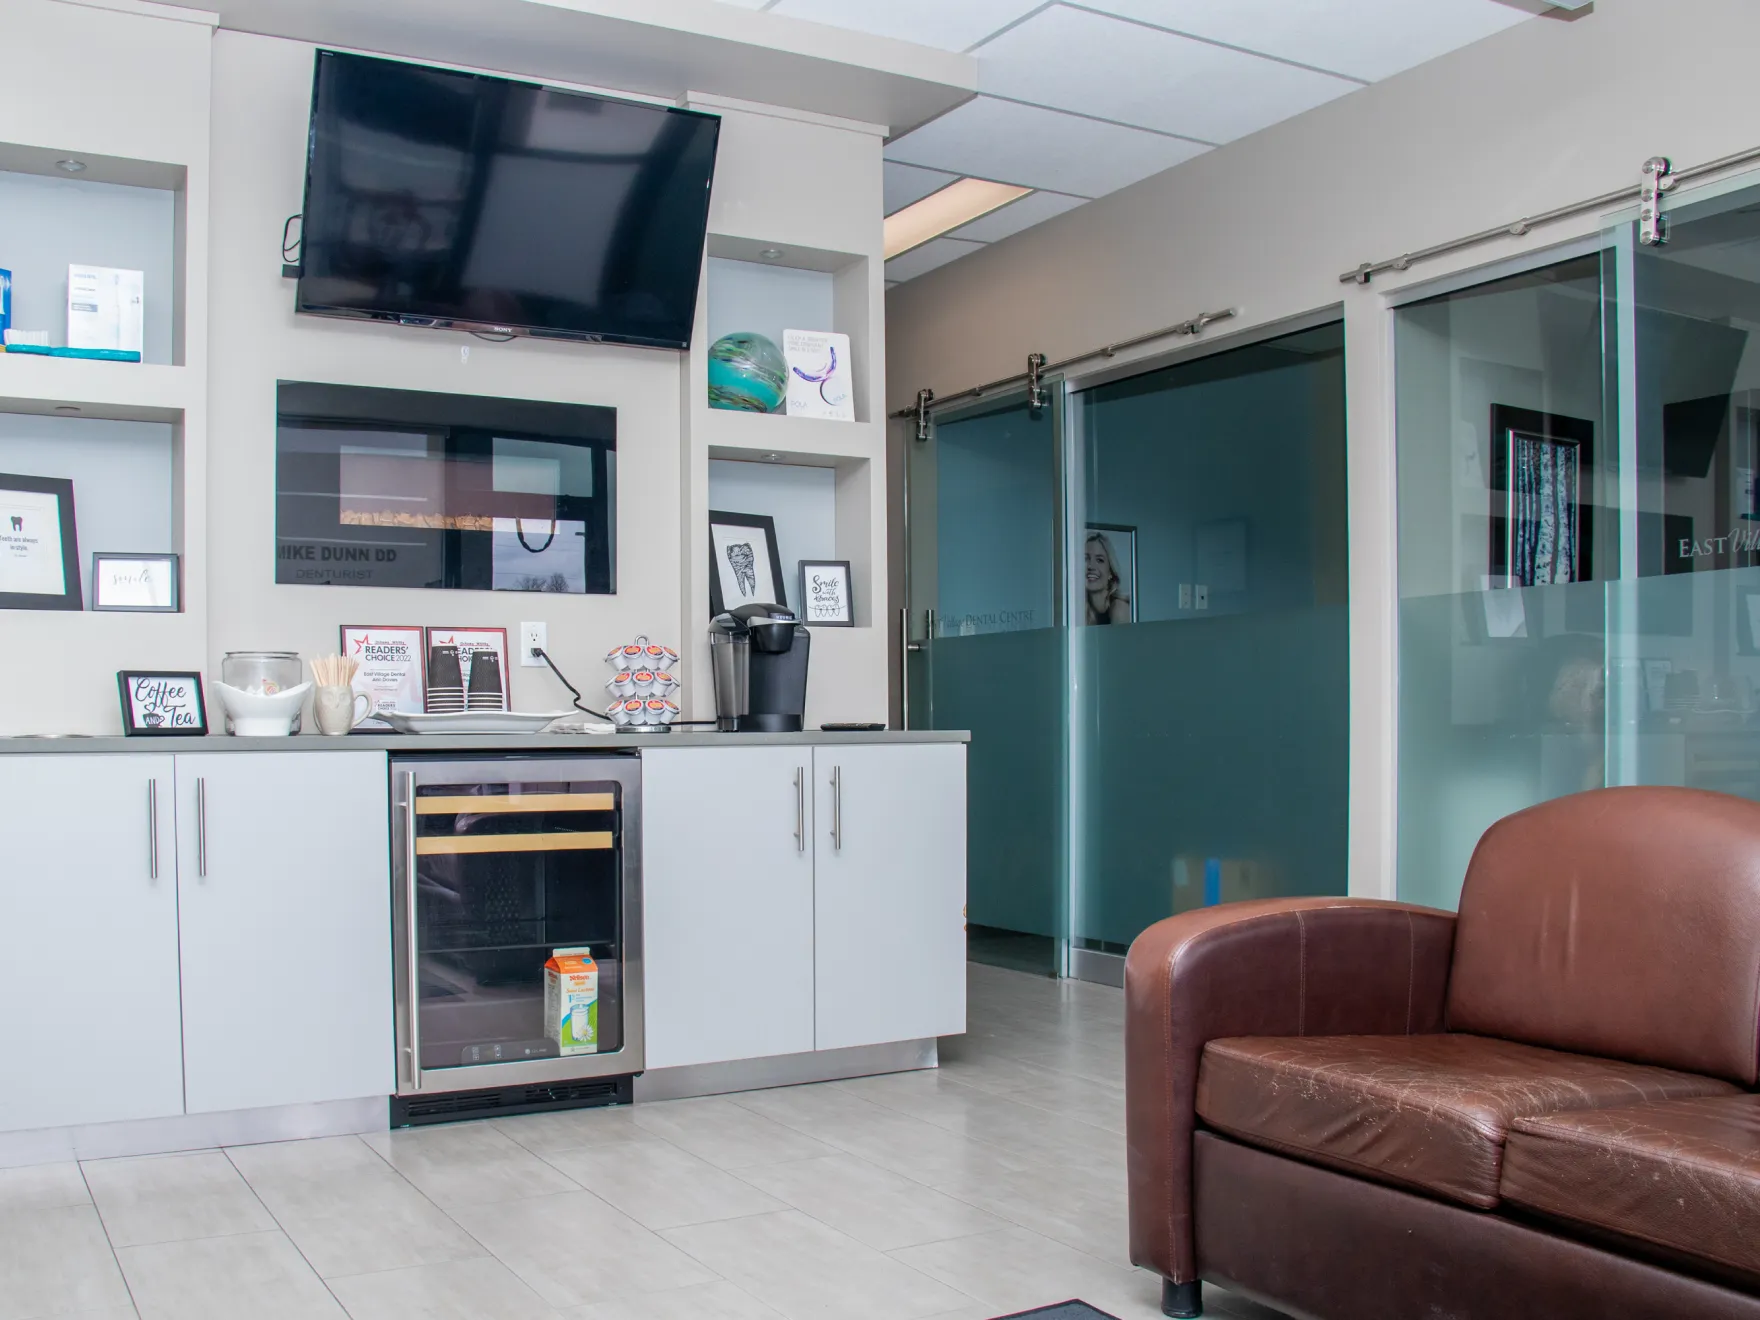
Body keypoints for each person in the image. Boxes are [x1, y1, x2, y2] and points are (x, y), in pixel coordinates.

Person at [1084, 530, 1132, 625]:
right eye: (1086, 559)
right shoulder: (1078, 609)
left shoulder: (1119, 609)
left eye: (1099, 560)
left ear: (1110, 572)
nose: (1091, 566)